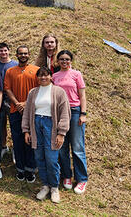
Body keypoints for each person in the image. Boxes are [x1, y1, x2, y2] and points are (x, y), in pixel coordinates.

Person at [22, 67, 70, 203]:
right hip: (36, 124)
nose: (43, 78)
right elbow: (27, 113)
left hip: (51, 125)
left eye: (46, 75)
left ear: (50, 76)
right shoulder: (33, 92)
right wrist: (26, 130)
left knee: (51, 158)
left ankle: (54, 187)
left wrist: (61, 133)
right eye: (40, 76)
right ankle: (45, 185)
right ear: (37, 78)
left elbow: (65, 113)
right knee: (39, 157)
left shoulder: (59, 92)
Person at [53, 50, 88, 194]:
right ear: (58, 61)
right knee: (62, 147)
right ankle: (66, 175)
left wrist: (83, 113)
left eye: (67, 59)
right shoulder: (54, 76)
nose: (64, 61)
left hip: (74, 111)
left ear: (71, 61)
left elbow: (82, 95)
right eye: (61, 59)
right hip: (60, 112)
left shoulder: (76, 74)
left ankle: (82, 179)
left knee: (77, 147)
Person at [4, 46, 39, 182]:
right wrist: (18, 103)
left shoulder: (36, 70)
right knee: (17, 140)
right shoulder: (10, 71)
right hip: (15, 111)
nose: (23, 55)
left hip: (32, 111)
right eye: (21, 53)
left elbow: (39, 89)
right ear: (16, 55)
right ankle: (20, 169)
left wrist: (26, 103)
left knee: (30, 141)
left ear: (29, 54)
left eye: (25, 53)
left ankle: (30, 169)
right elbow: (8, 89)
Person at [0, 42, 18, 162]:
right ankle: (3, 146)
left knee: (15, 126)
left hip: (13, 100)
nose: (3, 53)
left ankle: (15, 149)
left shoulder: (15, 65)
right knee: (1, 126)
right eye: (1, 51)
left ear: (9, 51)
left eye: (5, 50)